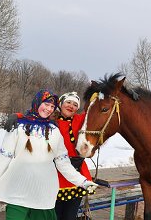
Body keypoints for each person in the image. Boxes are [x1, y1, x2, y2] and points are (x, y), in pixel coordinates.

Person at [0, 89, 97, 220]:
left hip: (43, 194)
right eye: (46, 104)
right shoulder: (18, 127)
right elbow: (4, 156)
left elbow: (63, 163)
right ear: (37, 103)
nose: (48, 109)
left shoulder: (54, 131)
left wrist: (83, 182)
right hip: (18, 190)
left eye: (51, 106)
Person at [54, 92, 94, 220]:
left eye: (75, 104)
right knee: (54, 215)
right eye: (68, 102)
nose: (71, 106)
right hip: (55, 175)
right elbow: (33, 116)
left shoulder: (80, 120)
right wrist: (17, 115)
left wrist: (95, 94)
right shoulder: (50, 119)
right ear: (61, 104)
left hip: (76, 173)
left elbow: (94, 111)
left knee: (70, 216)